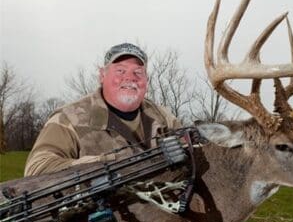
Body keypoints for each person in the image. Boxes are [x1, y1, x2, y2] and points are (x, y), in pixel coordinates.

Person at [25, 43, 180, 176]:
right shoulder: (69, 118)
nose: (130, 77)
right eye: (120, 70)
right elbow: (37, 168)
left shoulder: (163, 117)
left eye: (138, 72)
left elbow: (191, 148)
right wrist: (105, 164)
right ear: (102, 75)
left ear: (146, 79)